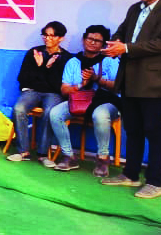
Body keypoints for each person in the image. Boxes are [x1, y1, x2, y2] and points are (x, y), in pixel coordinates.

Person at [101, 0, 161, 199]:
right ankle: (130, 175)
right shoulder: (134, 9)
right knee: (133, 129)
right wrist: (114, 44)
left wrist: (126, 48)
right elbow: (121, 32)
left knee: (154, 131)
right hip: (129, 79)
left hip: (153, 82)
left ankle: (155, 182)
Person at [46, 25, 120, 175]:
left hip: (107, 101)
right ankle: (69, 156)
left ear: (104, 44)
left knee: (99, 114)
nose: (92, 42)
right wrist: (81, 84)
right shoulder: (73, 62)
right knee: (55, 113)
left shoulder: (110, 61)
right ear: (83, 39)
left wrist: (96, 79)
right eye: (89, 38)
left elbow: (117, 87)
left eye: (97, 41)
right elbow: (64, 90)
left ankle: (103, 159)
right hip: (81, 101)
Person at [6, 21, 72, 167]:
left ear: (61, 38)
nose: (47, 38)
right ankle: (23, 151)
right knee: (19, 109)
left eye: (52, 36)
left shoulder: (66, 58)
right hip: (33, 91)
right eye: (45, 35)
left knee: (49, 112)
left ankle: (43, 154)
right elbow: (23, 78)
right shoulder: (34, 53)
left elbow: (58, 85)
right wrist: (41, 67)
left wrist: (45, 68)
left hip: (53, 94)